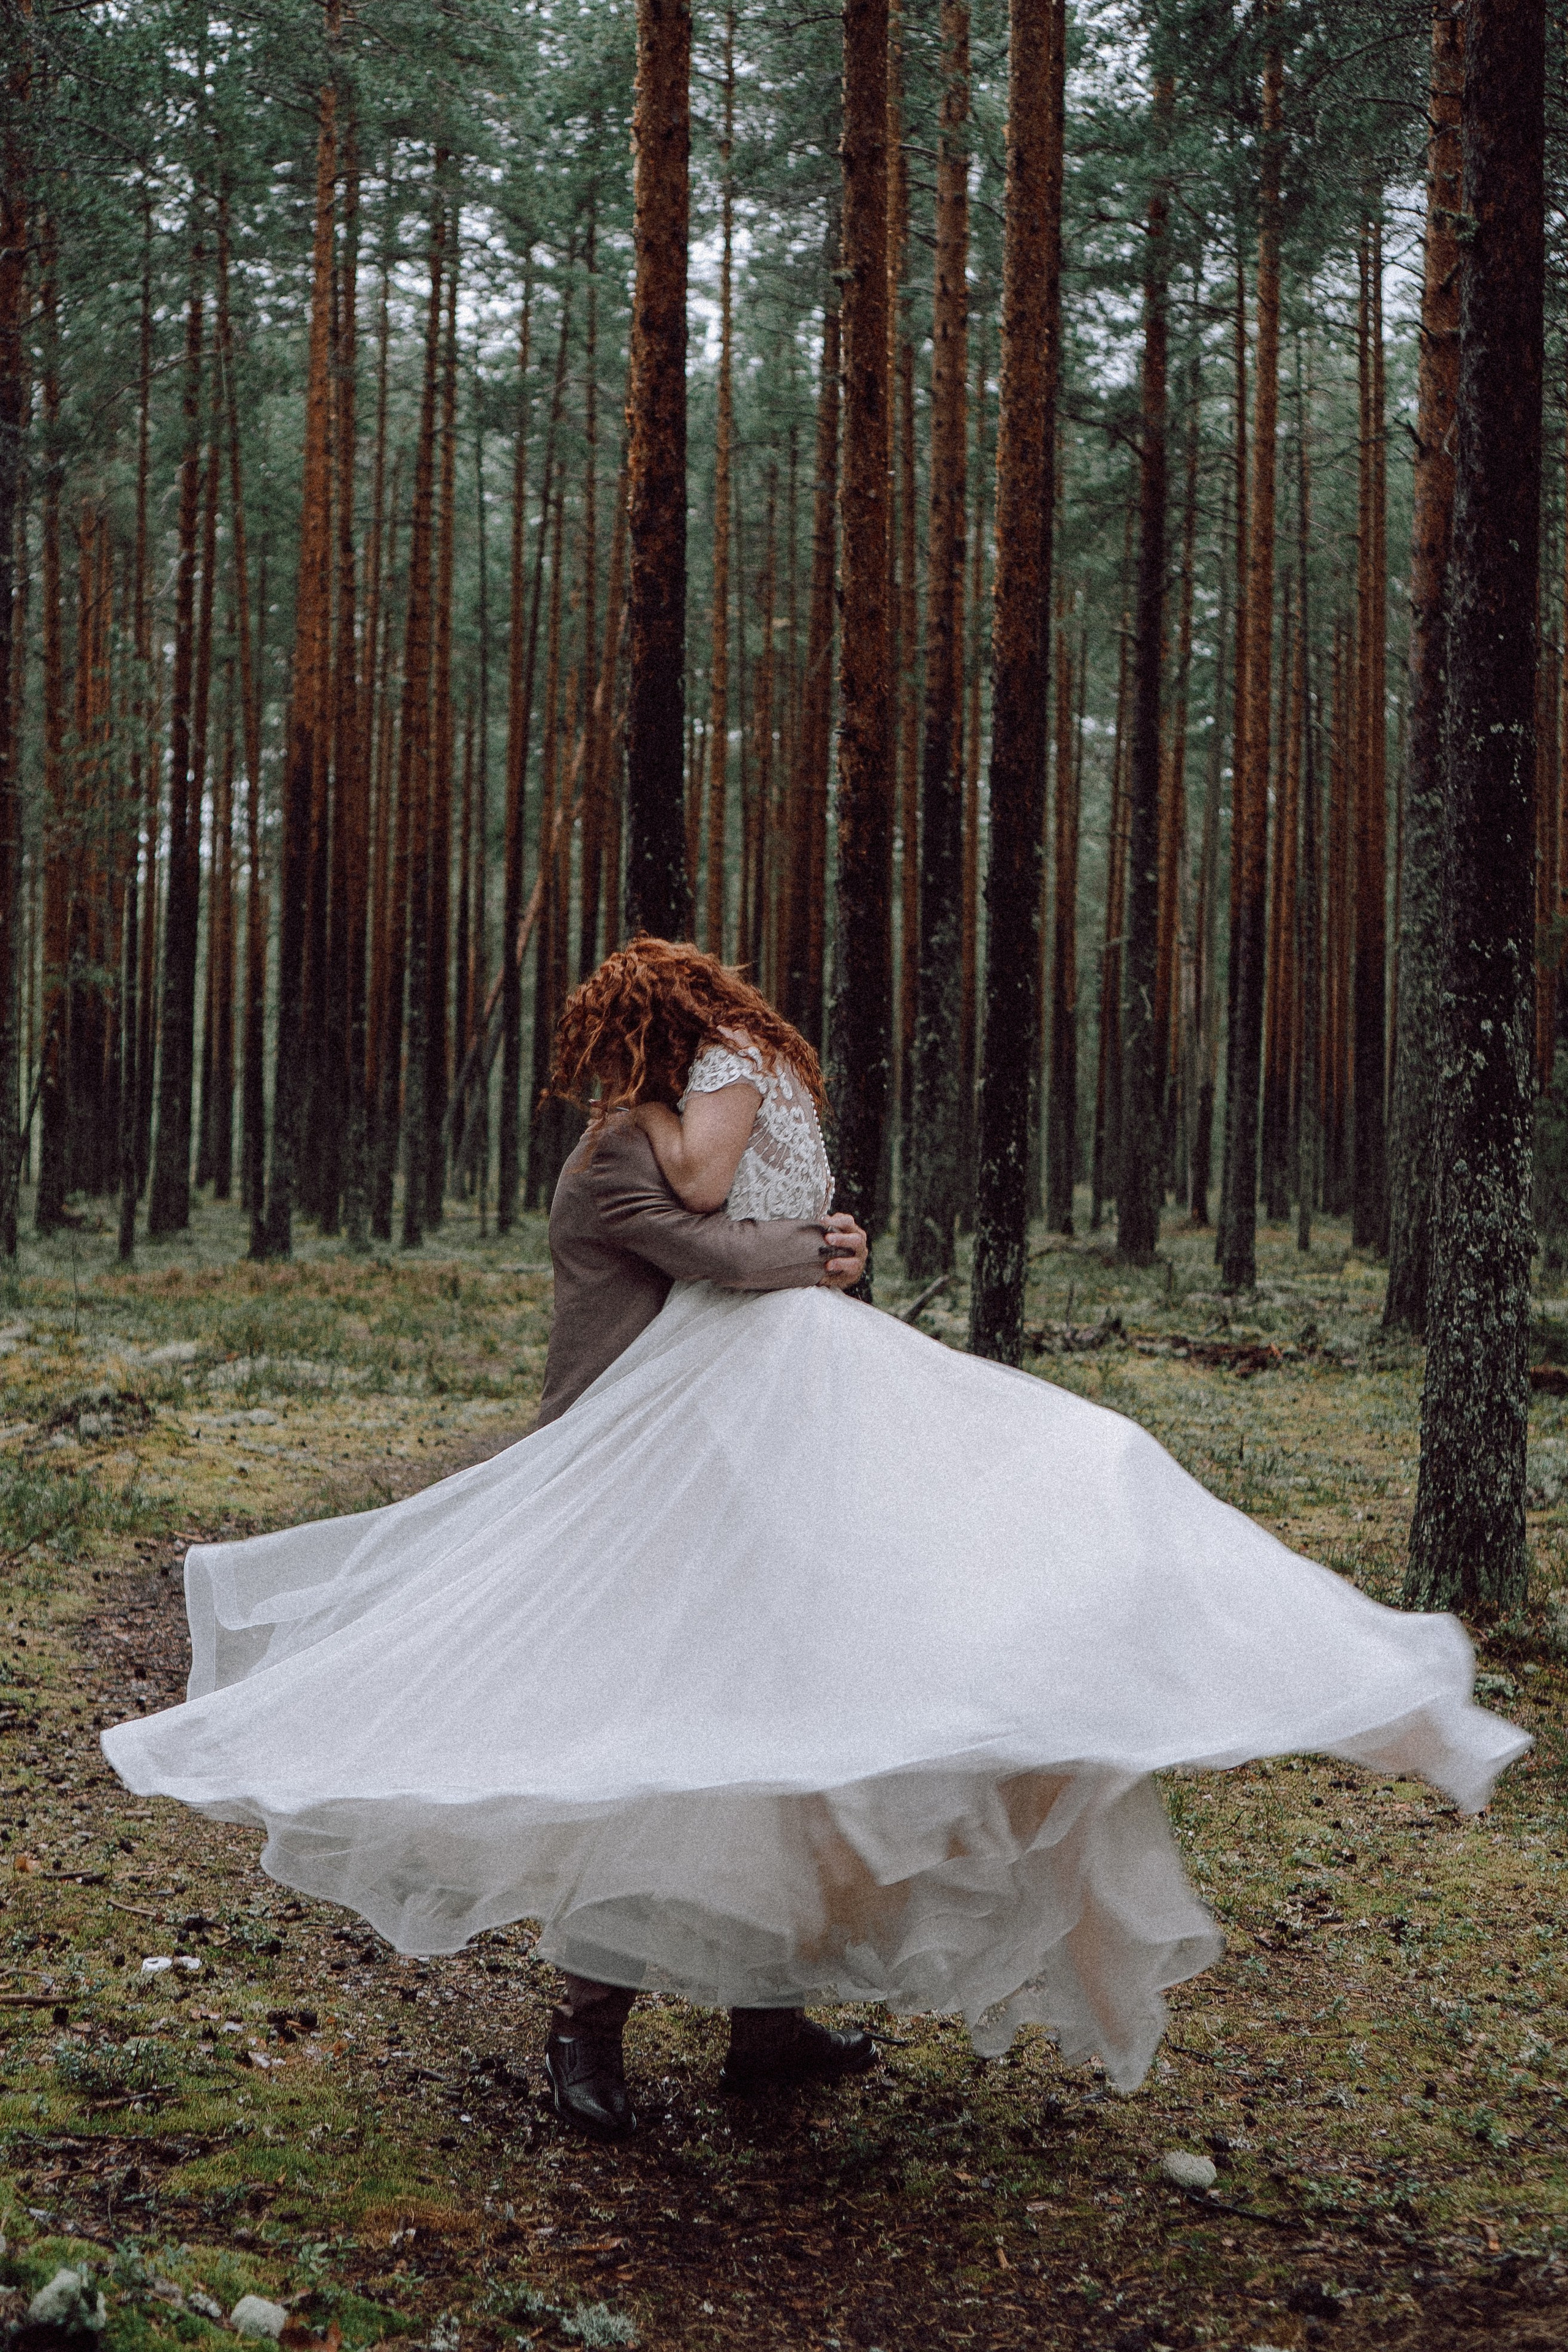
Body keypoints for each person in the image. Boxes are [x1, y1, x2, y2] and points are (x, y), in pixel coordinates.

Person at [102, 936, 1528, 2154]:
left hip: (737, 1451)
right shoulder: (620, 1154)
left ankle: (764, 2021)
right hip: (655, 1472)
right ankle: (588, 2027)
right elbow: (717, 1247)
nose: (639, 1082)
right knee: (650, 1729)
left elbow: (732, 1229)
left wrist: (819, 1249)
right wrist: (824, 1250)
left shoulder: (687, 1105)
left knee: (785, 1716)